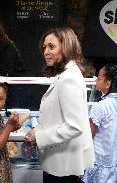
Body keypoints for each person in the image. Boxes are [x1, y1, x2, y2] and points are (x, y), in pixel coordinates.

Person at [24, 27, 95, 183]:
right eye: (44, 47)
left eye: (51, 46)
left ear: (66, 46)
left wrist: (39, 136)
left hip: (64, 164)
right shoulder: (65, 74)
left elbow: (74, 126)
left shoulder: (69, 78)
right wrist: (38, 128)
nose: (46, 52)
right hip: (61, 160)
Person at [82, 64, 117, 183]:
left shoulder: (99, 107)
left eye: (99, 78)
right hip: (111, 162)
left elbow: (88, 137)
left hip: (98, 162)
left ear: (108, 83)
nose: (96, 80)